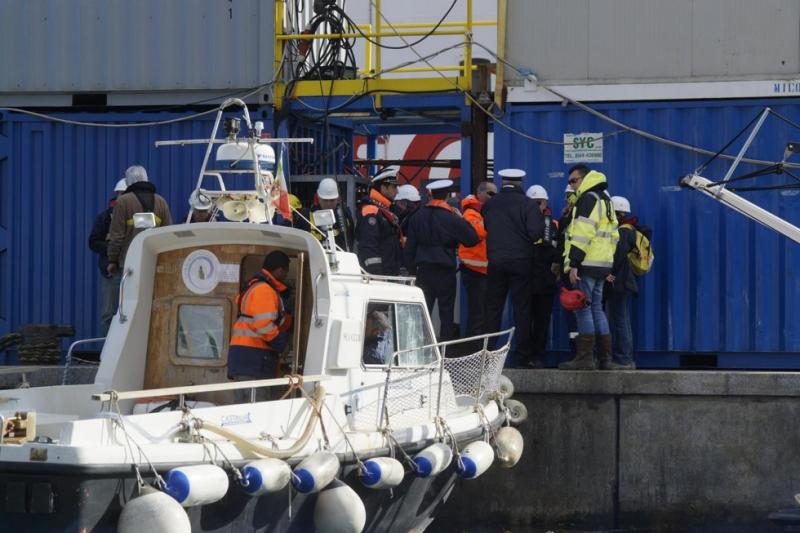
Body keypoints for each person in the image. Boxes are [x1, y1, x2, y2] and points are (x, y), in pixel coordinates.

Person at [482, 169, 545, 366]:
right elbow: (536, 234)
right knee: (522, 310)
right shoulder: (527, 203)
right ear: (521, 183)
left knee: (493, 309)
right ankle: (522, 355)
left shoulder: (490, 204)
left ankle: (488, 355)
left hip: (495, 262)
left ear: (503, 182)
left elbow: (486, 228)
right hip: (521, 262)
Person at [559, 169, 619, 370]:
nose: (572, 185)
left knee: (583, 309)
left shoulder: (588, 199)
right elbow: (614, 237)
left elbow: (583, 233)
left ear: (584, 179)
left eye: (574, 181)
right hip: (602, 264)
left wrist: (574, 263)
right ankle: (606, 359)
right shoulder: (606, 201)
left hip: (586, 262)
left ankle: (585, 359)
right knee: (597, 309)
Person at [404, 179, 478, 341]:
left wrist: (411, 271)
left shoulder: (417, 216)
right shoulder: (451, 218)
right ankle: (445, 354)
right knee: (446, 315)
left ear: (430, 194)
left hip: (423, 272)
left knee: (422, 314)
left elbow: (410, 248)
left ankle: (419, 349)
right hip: (446, 272)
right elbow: (472, 239)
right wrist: (462, 219)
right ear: (448, 195)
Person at [228, 251, 293, 387]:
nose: (286, 275)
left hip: (246, 358)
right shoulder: (264, 290)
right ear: (280, 270)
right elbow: (264, 325)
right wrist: (282, 345)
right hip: (254, 359)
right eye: (286, 271)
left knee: (244, 405)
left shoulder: (255, 287)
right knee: (255, 404)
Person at [106, 165, 173, 274]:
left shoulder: (123, 202)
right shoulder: (161, 202)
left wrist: (112, 260)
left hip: (129, 264)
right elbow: (168, 234)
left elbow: (117, 235)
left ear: (128, 182)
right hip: (155, 263)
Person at [458, 181, 497, 343]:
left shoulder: (481, 212)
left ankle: (478, 349)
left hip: (483, 271)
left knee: (482, 314)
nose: (494, 197)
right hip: (473, 270)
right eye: (491, 194)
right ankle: (472, 351)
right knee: (477, 314)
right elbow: (479, 232)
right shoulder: (471, 213)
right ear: (480, 194)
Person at [526, 184, 559, 368]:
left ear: (545, 202)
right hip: (526, 278)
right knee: (525, 320)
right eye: (534, 202)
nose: (537, 206)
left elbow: (557, 251)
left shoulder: (552, 224)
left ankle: (538, 356)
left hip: (545, 280)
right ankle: (525, 355)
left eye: (539, 202)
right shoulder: (522, 221)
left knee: (541, 321)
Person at [88, 178, 127, 333]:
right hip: (111, 273)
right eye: (122, 194)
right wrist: (113, 249)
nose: (124, 197)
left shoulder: (137, 217)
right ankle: (108, 353)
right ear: (117, 195)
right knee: (109, 314)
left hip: (132, 270)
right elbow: (93, 242)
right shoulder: (104, 218)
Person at [604, 195, 638, 370]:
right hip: (625, 281)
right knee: (621, 318)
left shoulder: (623, 231)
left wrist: (609, 273)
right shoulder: (630, 228)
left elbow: (617, 255)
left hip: (620, 282)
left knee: (620, 319)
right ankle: (624, 358)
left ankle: (624, 359)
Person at [356, 166, 402, 275]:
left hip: (388, 274)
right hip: (380, 277)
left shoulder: (384, 211)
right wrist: (375, 274)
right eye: (394, 187)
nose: (397, 191)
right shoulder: (371, 211)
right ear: (383, 188)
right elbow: (368, 245)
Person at [296, 178, 355, 251]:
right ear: (319, 198)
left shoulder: (344, 215)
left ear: (337, 199)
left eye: (332, 200)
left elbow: (351, 239)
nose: (328, 204)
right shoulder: (306, 217)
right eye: (325, 200)